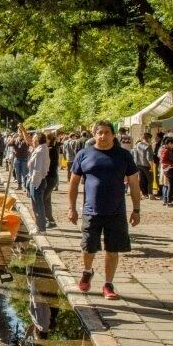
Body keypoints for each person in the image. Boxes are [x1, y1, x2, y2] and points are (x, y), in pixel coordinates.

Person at [69, 120, 141, 300]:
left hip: (116, 211)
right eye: (99, 132)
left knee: (112, 249)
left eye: (107, 132)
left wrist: (136, 209)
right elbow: (74, 183)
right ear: (94, 135)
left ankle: (108, 284)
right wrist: (71, 208)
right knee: (88, 247)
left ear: (113, 134)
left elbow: (133, 183)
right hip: (91, 210)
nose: (103, 136)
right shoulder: (84, 154)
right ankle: (87, 271)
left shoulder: (123, 155)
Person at [28, 133, 50, 235]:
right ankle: (38, 226)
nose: (32, 140)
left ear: (37, 139)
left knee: (38, 206)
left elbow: (38, 169)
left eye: (33, 138)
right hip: (36, 181)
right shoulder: (39, 149)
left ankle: (41, 228)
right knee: (35, 205)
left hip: (38, 181)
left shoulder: (41, 151)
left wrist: (33, 182)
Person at [42, 132, 60, 228]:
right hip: (49, 178)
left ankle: (45, 220)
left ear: (49, 140)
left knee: (43, 199)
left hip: (50, 178)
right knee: (47, 200)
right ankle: (50, 220)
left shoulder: (50, 150)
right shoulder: (50, 149)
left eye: (45, 139)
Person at [132, 133, 155, 201]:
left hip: (138, 164)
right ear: (149, 138)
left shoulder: (137, 145)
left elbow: (134, 154)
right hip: (146, 165)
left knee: (142, 179)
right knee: (150, 180)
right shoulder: (148, 146)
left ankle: (144, 194)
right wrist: (152, 166)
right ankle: (150, 194)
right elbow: (149, 158)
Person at [159, 134, 173, 207]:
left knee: (169, 186)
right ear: (169, 143)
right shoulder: (166, 150)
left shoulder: (168, 150)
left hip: (169, 170)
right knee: (171, 186)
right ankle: (169, 202)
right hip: (169, 170)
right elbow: (163, 160)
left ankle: (167, 201)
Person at [13, 125, 30, 190]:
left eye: (20, 132)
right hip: (17, 159)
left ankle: (25, 186)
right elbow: (9, 144)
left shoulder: (25, 140)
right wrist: (13, 137)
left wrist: (23, 131)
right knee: (17, 173)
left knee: (25, 173)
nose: (19, 134)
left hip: (24, 159)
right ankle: (19, 185)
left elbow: (27, 142)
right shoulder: (16, 140)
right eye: (18, 132)